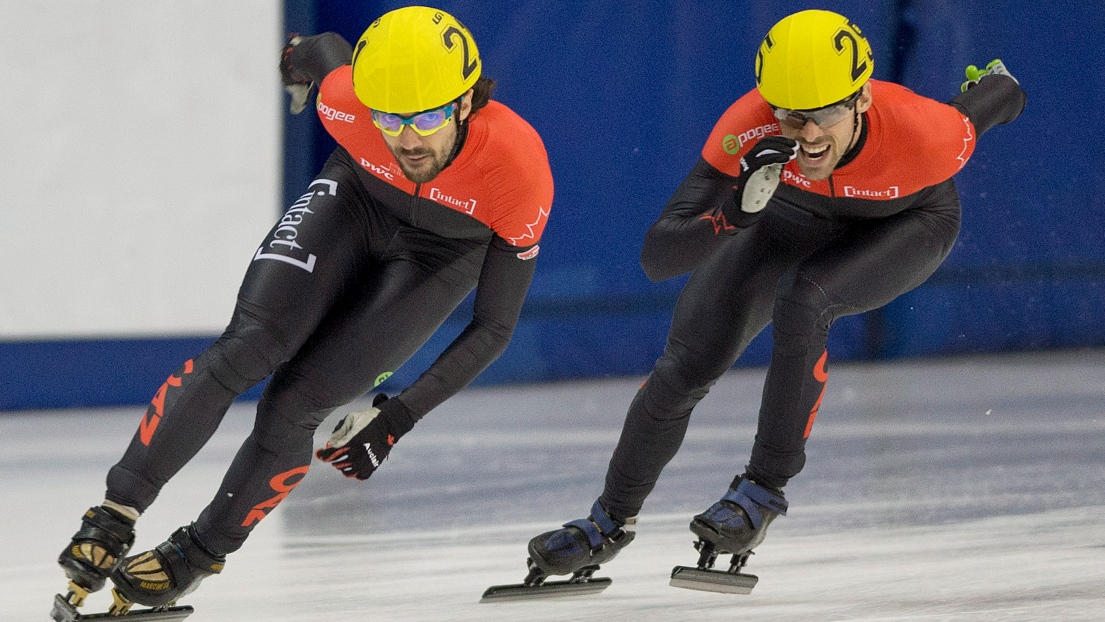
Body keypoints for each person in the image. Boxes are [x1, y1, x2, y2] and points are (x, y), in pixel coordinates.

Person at [56, 5, 553, 614]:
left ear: (466, 103)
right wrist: (294, 61)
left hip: (443, 252)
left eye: (427, 116)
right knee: (247, 347)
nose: (408, 138)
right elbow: (322, 52)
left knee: (297, 405)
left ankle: (201, 551)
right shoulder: (346, 100)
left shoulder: (518, 168)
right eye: (390, 118)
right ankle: (115, 512)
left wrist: (398, 417)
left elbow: (494, 325)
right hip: (355, 201)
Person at [524, 9, 1025, 587]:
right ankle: (607, 523)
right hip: (789, 217)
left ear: (861, 99)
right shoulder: (749, 125)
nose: (809, 135)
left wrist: (998, 85)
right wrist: (730, 216)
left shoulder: (927, 132)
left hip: (907, 222)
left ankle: (760, 494)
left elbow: (989, 105)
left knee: (805, 299)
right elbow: (658, 258)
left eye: (827, 113)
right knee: (686, 363)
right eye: (791, 116)